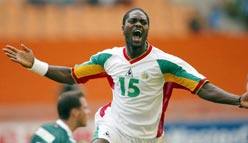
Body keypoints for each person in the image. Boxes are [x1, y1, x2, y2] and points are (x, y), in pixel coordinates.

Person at [3, 7, 248, 143]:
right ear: (123, 28)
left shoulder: (166, 64)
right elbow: (71, 75)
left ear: (148, 29)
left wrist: (237, 100)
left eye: (143, 21)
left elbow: (202, 87)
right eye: (132, 21)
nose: (138, 24)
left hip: (149, 138)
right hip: (114, 126)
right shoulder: (108, 59)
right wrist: (36, 65)